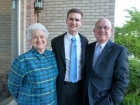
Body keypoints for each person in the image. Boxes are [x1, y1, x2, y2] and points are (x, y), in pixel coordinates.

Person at [8, 23, 58, 105]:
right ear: (30, 40)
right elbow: (13, 86)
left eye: (42, 36)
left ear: (46, 38)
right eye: (35, 37)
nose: (39, 40)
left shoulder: (52, 56)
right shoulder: (22, 60)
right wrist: (23, 100)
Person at [82, 18, 129, 105]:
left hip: (105, 101)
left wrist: (112, 101)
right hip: (85, 99)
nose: (102, 30)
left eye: (105, 27)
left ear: (111, 31)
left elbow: (122, 80)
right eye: (99, 27)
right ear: (94, 31)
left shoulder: (119, 51)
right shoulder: (87, 48)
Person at [51, 8, 88, 105]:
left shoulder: (85, 41)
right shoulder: (56, 42)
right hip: (62, 87)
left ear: (81, 23)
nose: (74, 22)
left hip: (80, 87)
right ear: (66, 21)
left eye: (77, 20)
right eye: (71, 19)